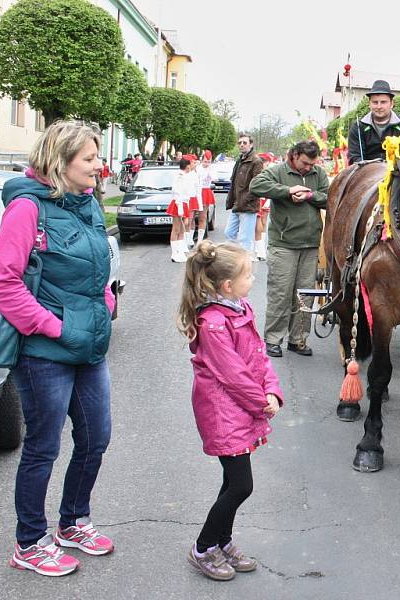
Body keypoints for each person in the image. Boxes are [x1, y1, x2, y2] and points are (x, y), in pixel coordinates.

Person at [0, 120, 116, 577]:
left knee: (96, 438)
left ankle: (73, 522)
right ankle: (30, 541)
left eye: (97, 157)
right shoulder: (26, 209)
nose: (99, 167)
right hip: (45, 351)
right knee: (43, 447)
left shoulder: (87, 204)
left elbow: (98, 268)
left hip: (90, 344)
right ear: (59, 162)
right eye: (89, 159)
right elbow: (3, 282)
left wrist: (106, 301)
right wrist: (52, 326)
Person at [177, 240, 282, 581]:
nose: (252, 280)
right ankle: (204, 546)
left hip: (241, 408)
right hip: (224, 412)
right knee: (241, 485)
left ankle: (222, 540)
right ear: (226, 285)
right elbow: (232, 373)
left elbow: (259, 357)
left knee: (231, 482)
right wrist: (260, 403)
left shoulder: (240, 308)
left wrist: (272, 390)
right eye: (248, 275)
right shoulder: (213, 323)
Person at [249, 140, 329, 357]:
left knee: (305, 296)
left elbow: (330, 198)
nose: (308, 168)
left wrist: (311, 195)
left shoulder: (318, 174)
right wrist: (287, 191)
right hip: (283, 245)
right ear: (293, 156)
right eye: (305, 163)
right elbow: (255, 186)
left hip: (311, 244)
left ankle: (298, 340)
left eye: (312, 164)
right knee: (280, 294)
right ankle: (273, 339)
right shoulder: (277, 171)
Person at [347, 79, 400, 164]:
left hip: (397, 173)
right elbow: (354, 157)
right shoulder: (358, 126)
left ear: (391, 104)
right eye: (375, 102)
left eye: (383, 102)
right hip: (366, 172)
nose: (379, 106)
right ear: (369, 104)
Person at [225, 134, 263, 255]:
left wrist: (245, 200)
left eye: (244, 143)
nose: (241, 145)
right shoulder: (240, 160)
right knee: (229, 233)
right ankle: (236, 260)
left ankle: (244, 268)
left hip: (248, 206)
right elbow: (234, 183)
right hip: (237, 204)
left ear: (251, 145)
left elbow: (257, 185)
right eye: (240, 143)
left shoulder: (256, 161)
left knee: (244, 240)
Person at [166, 157, 195, 262]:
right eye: (190, 165)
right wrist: (180, 207)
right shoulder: (179, 176)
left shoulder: (186, 176)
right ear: (187, 166)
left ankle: (180, 251)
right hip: (178, 204)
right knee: (176, 228)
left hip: (184, 203)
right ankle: (174, 253)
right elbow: (177, 191)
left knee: (183, 229)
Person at [183, 153, 201, 251]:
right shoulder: (185, 174)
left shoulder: (195, 174)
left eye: (195, 162)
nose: (195, 164)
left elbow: (197, 189)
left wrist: (200, 204)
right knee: (187, 221)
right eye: (193, 162)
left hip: (193, 199)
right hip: (187, 199)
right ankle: (185, 240)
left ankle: (190, 239)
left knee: (192, 220)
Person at [197, 149, 216, 237]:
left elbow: (214, 178)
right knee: (192, 217)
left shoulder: (211, 169)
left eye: (208, 162)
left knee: (203, 216)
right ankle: (189, 237)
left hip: (206, 192)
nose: (207, 163)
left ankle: (201, 238)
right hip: (197, 192)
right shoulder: (197, 169)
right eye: (205, 161)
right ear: (201, 160)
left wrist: (209, 169)